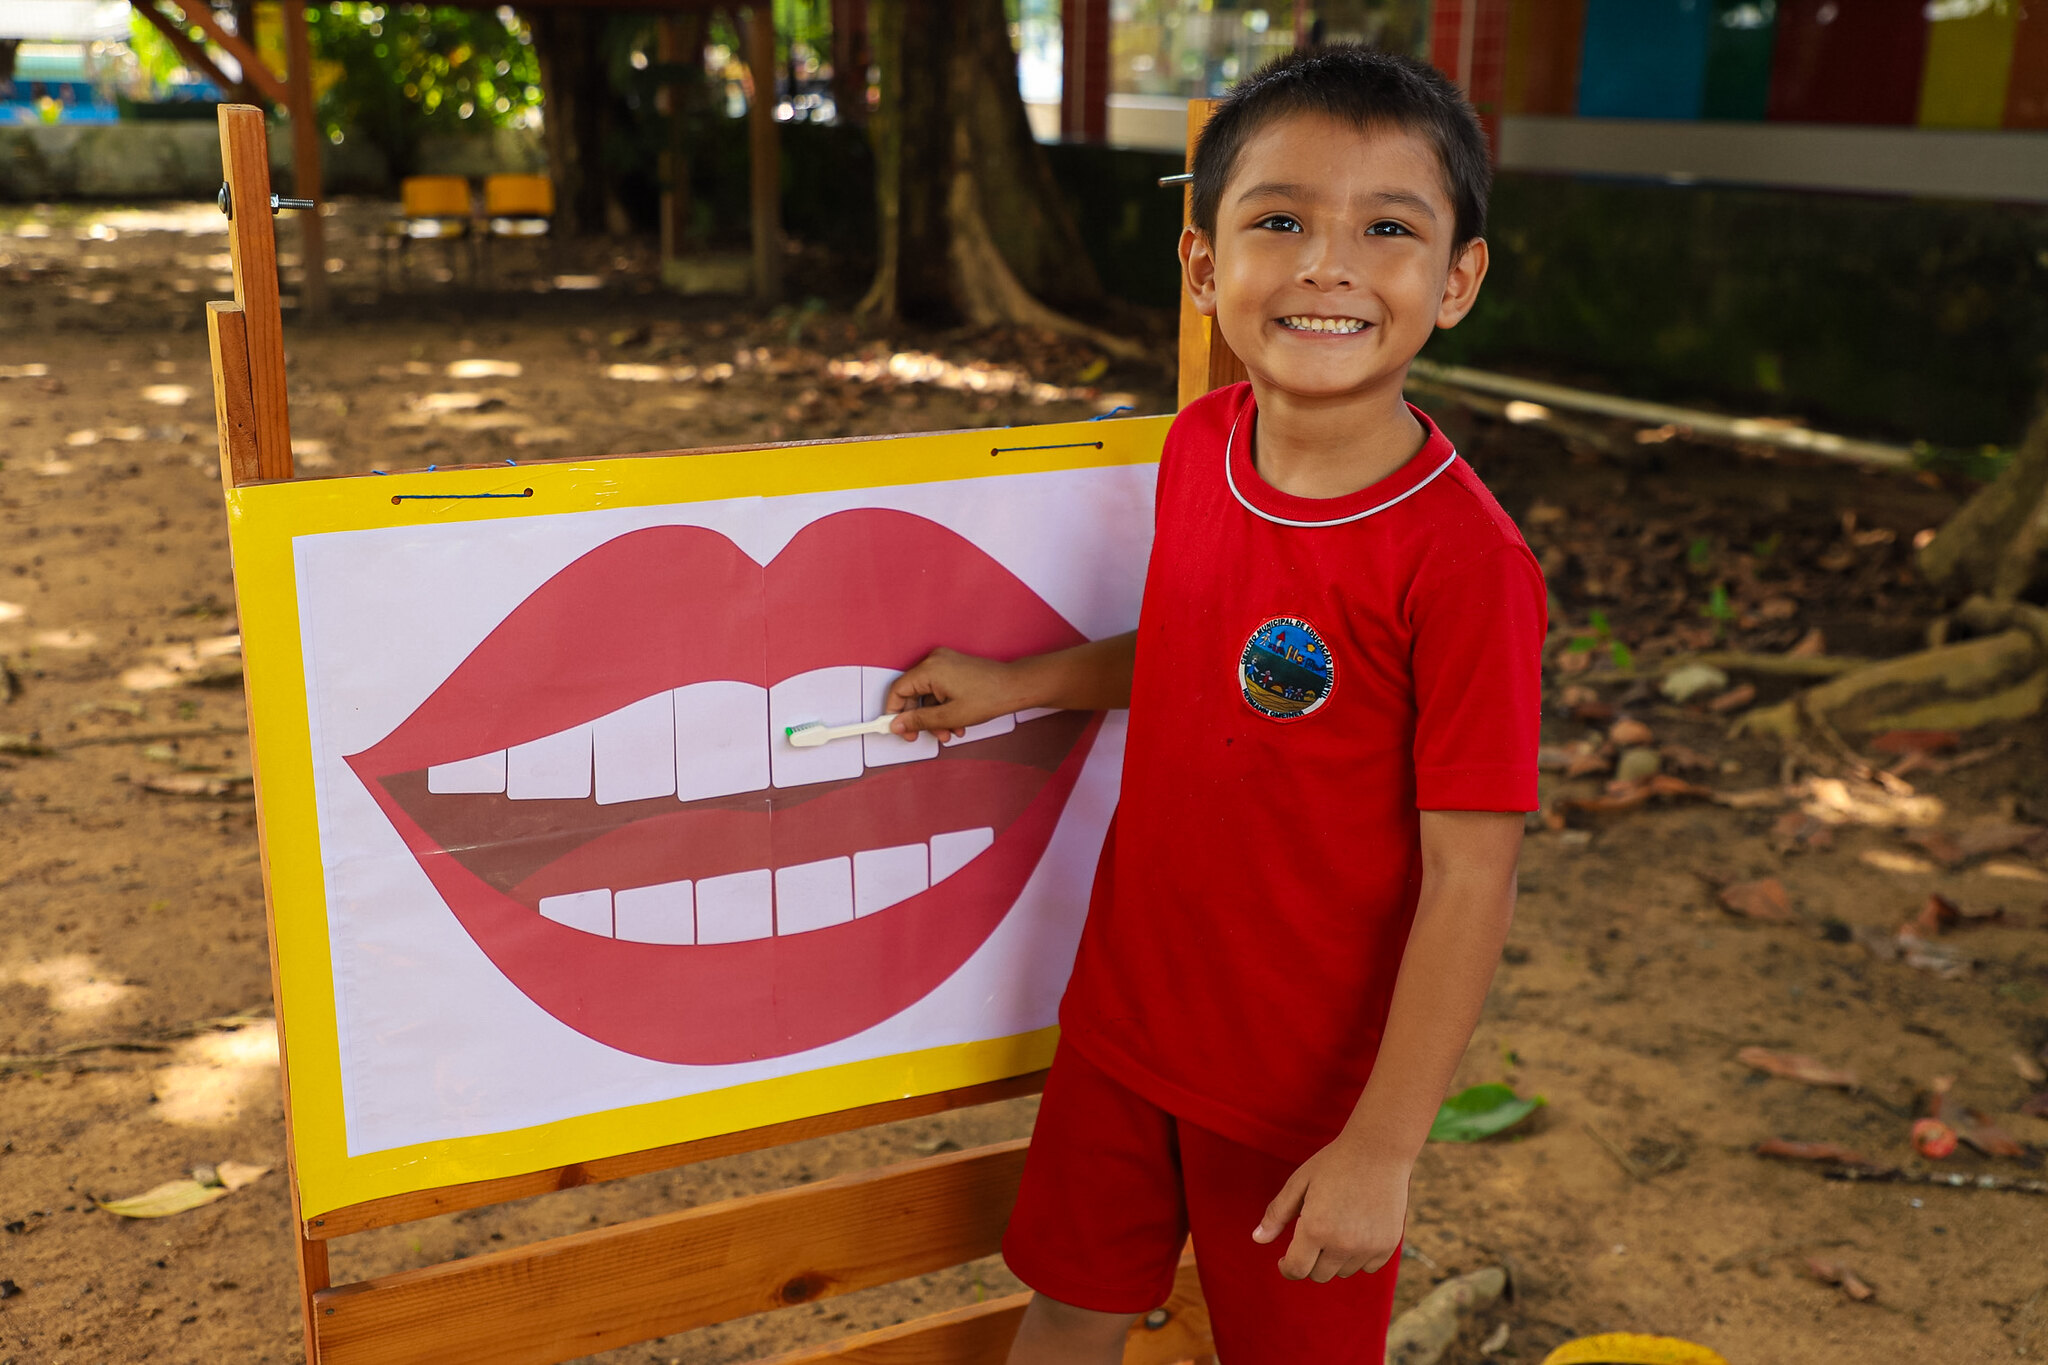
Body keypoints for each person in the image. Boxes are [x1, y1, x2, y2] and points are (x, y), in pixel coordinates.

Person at [884, 45, 1545, 1365]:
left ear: (1457, 281)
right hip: (1128, 1023)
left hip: (1306, 1091)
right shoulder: (1201, 447)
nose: (1327, 263)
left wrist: (1384, 1143)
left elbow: (1472, 871)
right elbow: (1194, 648)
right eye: (1282, 219)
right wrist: (1017, 686)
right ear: (1202, 265)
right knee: (1070, 1305)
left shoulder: (1466, 564)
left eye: (1389, 228)